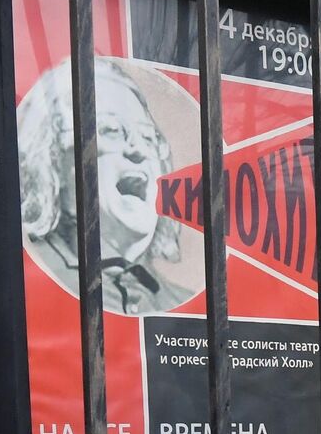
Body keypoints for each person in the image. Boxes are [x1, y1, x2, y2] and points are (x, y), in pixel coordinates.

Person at [18, 59, 193, 314]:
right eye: (111, 129)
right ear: (51, 156)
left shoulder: (184, 305)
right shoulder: (30, 285)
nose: (139, 149)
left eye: (148, 137)